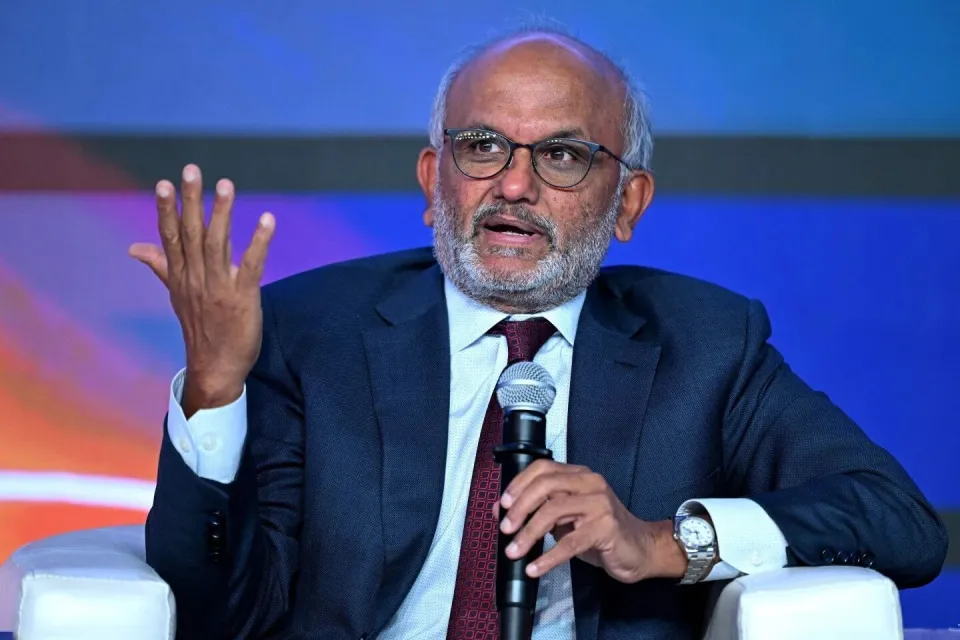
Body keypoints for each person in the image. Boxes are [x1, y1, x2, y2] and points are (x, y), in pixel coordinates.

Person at [130, 25, 947, 640]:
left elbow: (898, 520)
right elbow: (223, 610)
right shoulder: (310, 332)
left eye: (562, 155)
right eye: (482, 146)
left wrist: (664, 542)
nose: (514, 185)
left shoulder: (706, 344)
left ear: (627, 203)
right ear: (434, 182)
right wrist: (215, 389)